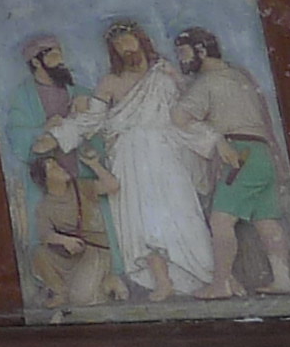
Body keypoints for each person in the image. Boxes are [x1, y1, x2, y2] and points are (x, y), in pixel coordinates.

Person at [44, 18, 221, 300]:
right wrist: (60, 135)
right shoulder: (110, 82)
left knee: (181, 214)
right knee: (141, 221)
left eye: (129, 41)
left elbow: (186, 112)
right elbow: (91, 119)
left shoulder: (162, 74)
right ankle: (162, 282)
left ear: (141, 40)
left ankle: (202, 276)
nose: (125, 48)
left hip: (165, 154)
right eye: (118, 45)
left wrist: (214, 140)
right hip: (129, 157)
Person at [174, 26, 290, 300]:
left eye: (183, 52)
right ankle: (283, 279)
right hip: (262, 154)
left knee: (221, 221)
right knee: (267, 220)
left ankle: (220, 285)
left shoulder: (207, 82)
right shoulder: (241, 77)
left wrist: (215, 140)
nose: (181, 60)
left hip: (238, 154)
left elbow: (180, 117)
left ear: (201, 51)